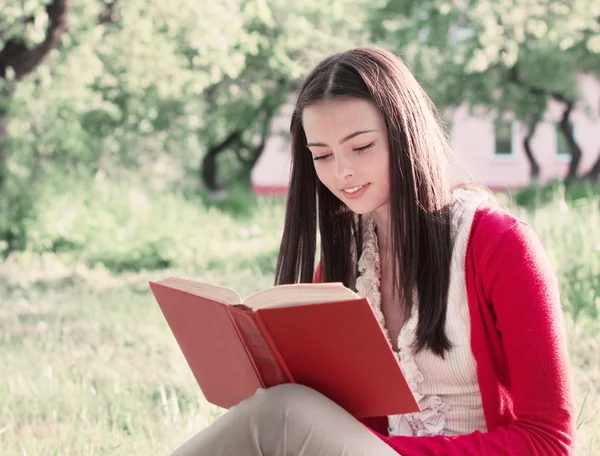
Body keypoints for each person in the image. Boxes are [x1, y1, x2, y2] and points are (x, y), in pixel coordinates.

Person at [171, 47, 576, 455]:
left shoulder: (499, 245)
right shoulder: (342, 261)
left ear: (405, 133)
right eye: (322, 155)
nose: (341, 171)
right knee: (277, 405)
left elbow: (550, 442)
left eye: (361, 147)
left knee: (282, 412)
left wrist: (387, 449)